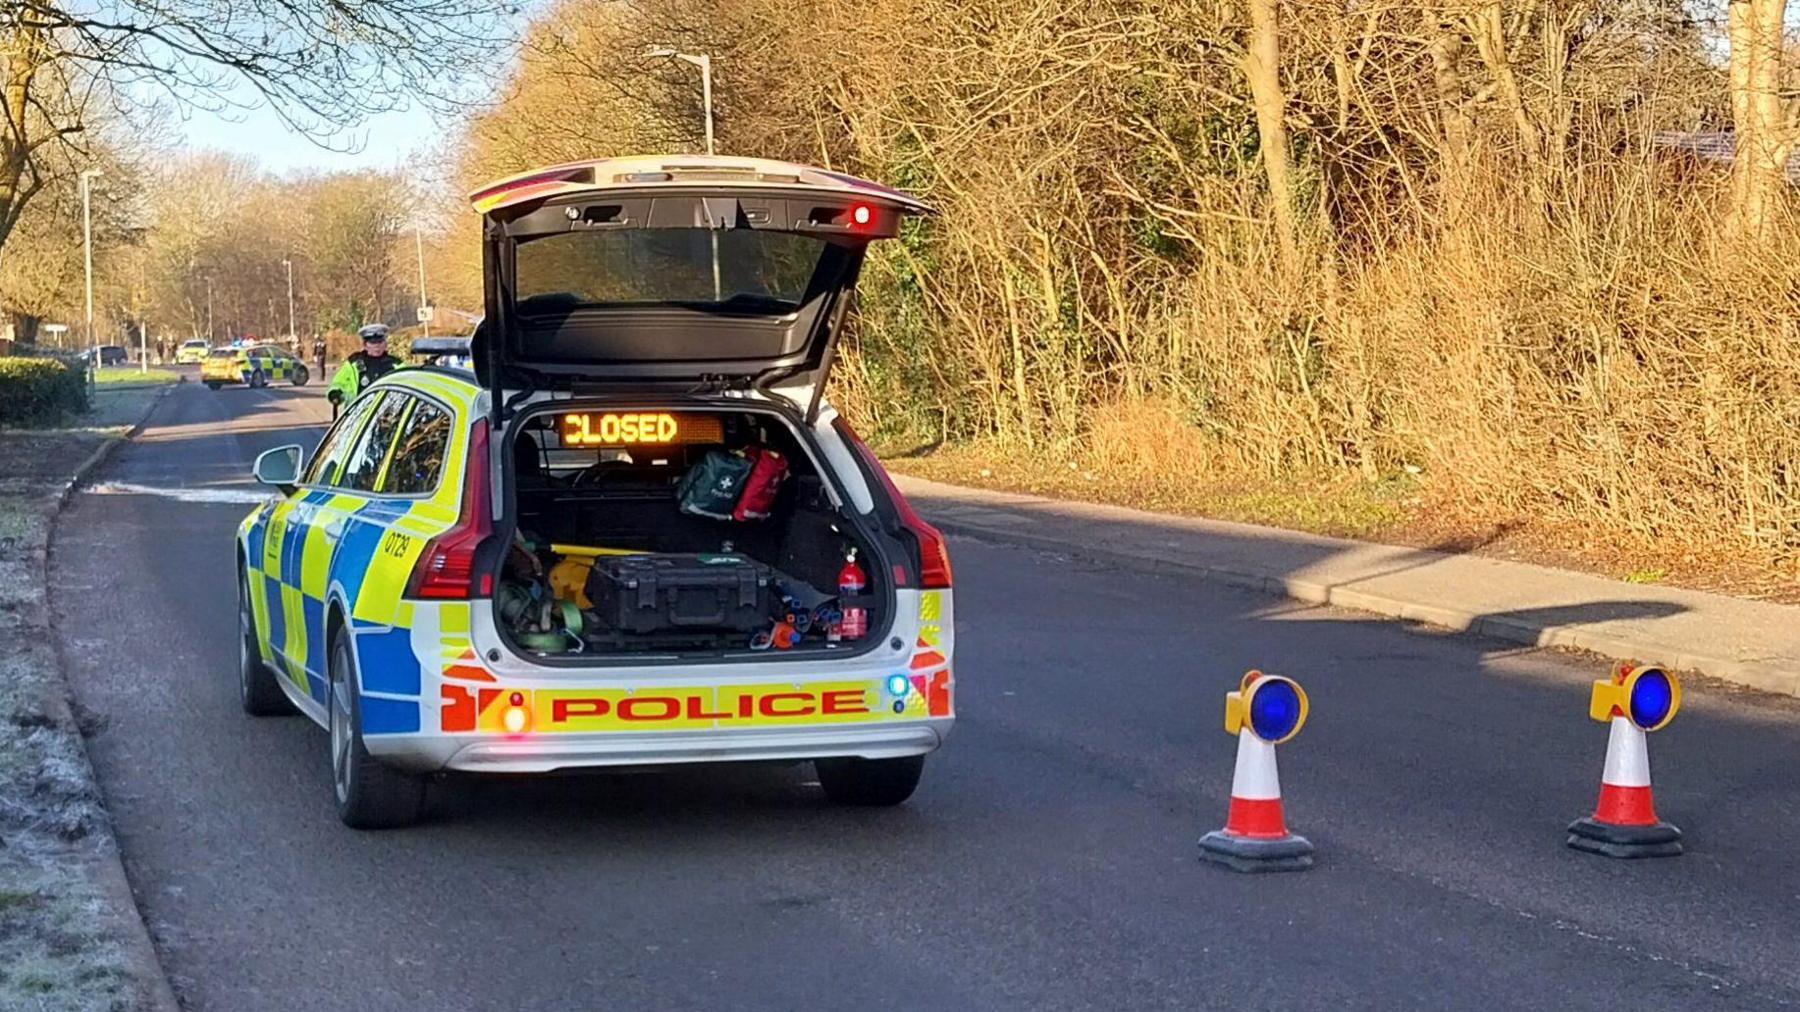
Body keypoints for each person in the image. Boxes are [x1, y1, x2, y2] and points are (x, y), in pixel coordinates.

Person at [327, 324, 400, 415]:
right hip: (357, 413)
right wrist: (335, 393)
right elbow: (339, 382)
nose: (377, 346)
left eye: (380, 342)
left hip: (387, 414)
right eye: (372, 342)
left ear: (385, 344)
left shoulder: (396, 364)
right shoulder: (353, 363)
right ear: (365, 345)